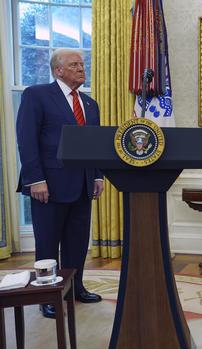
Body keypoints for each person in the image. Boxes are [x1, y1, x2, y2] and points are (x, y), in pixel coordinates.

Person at [16, 48, 104, 319]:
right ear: (58, 70)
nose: (81, 68)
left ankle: (76, 287)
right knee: (48, 242)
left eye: (82, 64)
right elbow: (26, 139)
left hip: (82, 184)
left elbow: (95, 144)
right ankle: (47, 295)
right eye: (74, 64)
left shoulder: (90, 104)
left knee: (77, 242)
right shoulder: (37, 95)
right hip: (48, 186)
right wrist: (36, 180)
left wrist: (97, 175)